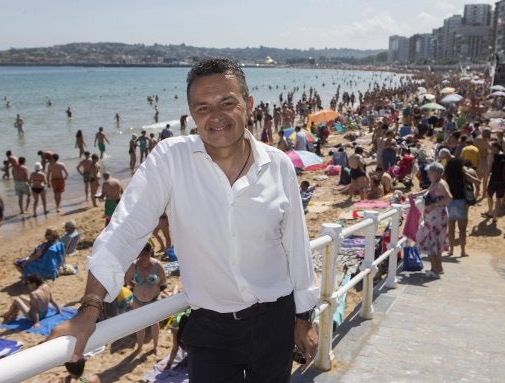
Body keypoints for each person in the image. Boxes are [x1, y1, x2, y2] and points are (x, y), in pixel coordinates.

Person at [49, 57, 319, 382]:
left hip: (276, 320)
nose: (215, 117)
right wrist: (88, 310)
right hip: (210, 330)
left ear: (248, 104)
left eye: (227, 102)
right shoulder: (170, 159)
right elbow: (125, 230)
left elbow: (296, 245)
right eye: (202, 108)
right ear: (192, 115)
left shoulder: (278, 166)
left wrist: (304, 315)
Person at [124, 243, 167, 354]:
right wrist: (138, 287)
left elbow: (163, 281)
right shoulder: (134, 265)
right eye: (140, 254)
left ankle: (155, 346)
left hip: (154, 300)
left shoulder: (157, 265)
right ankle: (139, 347)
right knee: (140, 325)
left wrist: (153, 288)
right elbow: (128, 281)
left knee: (154, 324)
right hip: (138, 300)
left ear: (150, 252)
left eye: (145, 254)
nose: (143, 257)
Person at [417, 162, 452, 278]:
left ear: (436, 173)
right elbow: (428, 191)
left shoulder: (440, 184)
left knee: (433, 242)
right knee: (435, 242)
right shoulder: (435, 183)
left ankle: (435, 271)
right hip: (433, 217)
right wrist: (415, 194)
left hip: (436, 217)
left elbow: (449, 197)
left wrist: (436, 204)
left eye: (429, 172)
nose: (427, 175)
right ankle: (437, 268)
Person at [443, 158, 480, 257]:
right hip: (461, 203)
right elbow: (477, 182)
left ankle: (451, 251)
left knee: (451, 229)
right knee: (462, 229)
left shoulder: (446, 175)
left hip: (450, 203)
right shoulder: (463, 174)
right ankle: (463, 251)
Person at [483, 142, 505, 223]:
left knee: (489, 195)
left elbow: (488, 169)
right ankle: (495, 217)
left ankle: (490, 211)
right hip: (502, 180)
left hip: (493, 179)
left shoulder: (491, 156)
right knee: (499, 198)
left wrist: (485, 180)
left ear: (496, 148)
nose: (490, 149)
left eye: (491, 147)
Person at [474, 127, 492, 198]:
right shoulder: (485, 141)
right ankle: (484, 193)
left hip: (478, 159)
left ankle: (477, 192)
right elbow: (490, 149)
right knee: (485, 178)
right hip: (485, 160)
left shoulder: (477, 138)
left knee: (478, 177)